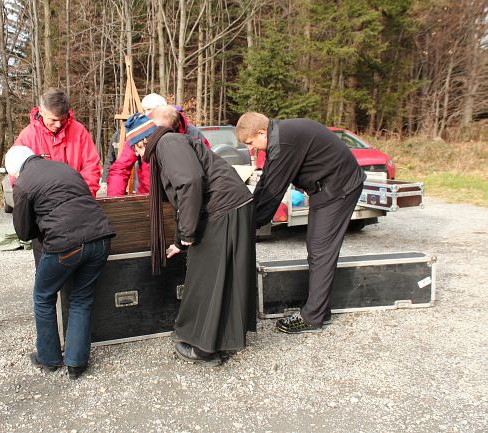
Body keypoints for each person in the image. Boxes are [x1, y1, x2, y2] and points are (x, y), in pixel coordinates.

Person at [125, 113, 256, 366]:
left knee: (208, 277)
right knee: (221, 275)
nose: (139, 158)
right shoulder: (170, 143)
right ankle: (220, 339)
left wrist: (188, 234)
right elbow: (181, 200)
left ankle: (205, 349)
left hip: (224, 208)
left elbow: (190, 183)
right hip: (230, 206)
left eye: (136, 151)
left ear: (141, 143)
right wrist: (178, 240)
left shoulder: (167, 144)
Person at [235, 113, 366, 334]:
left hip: (339, 188)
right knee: (317, 248)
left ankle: (313, 317)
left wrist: (248, 225)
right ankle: (319, 309)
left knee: (320, 250)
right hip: (325, 188)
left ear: (261, 132)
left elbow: (273, 193)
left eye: (251, 143)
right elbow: (267, 181)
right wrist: (247, 210)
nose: (251, 149)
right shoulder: (279, 137)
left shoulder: (284, 141)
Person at [6, 146, 115, 379]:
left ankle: (49, 358)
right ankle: (76, 363)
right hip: (101, 237)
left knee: (43, 297)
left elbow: (24, 232)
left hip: (66, 244)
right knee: (82, 298)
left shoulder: (23, 184)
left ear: (15, 171)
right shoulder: (64, 168)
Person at [13, 88, 102, 265]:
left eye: (62, 120)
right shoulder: (27, 137)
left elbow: (92, 167)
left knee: (77, 274)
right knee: (46, 276)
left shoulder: (79, 132)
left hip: (77, 215)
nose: (59, 125)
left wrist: (82, 199)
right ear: (41, 110)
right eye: (53, 120)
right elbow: (18, 180)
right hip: (44, 220)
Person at [106, 104, 211, 197]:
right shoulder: (141, 132)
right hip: (148, 195)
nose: (157, 136)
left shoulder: (193, 135)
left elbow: (207, 168)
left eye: (163, 132)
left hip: (183, 196)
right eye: (156, 131)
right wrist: (115, 201)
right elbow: (120, 169)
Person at [99, 93, 168, 195]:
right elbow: (120, 168)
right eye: (144, 110)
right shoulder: (138, 134)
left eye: (150, 110)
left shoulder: (186, 133)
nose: (146, 114)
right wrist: (116, 200)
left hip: (172, 198)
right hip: (146, 196)